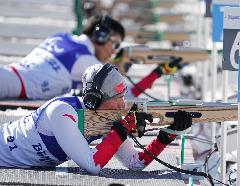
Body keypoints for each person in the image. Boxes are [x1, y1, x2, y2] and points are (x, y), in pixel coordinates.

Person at [0, 63, 192, 174]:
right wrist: (120, 132)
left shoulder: (105, 119)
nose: (121, 105)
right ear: (94, 100)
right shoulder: (61, 112)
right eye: (117, 99)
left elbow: (135, 163)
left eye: (123, 98)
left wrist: (167, 135)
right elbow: (92, 166)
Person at [0, 15, 125, 99]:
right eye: (114, 43)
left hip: (8, 74)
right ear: (101, 36)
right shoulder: (87, 60)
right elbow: (121, 92)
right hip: (12, 85)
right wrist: (122, 66)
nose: (114, 51)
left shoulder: (61, 36)